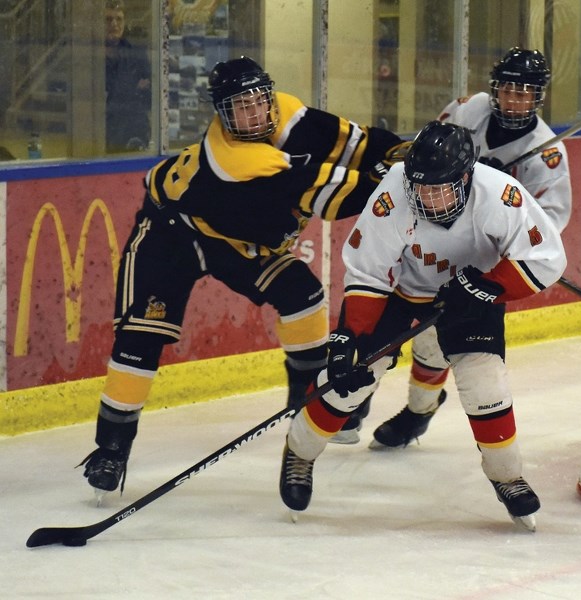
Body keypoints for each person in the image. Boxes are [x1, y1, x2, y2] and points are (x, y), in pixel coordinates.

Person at [78, 56, 406, 497]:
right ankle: (111, 450)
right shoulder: (236, 162)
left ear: (270, 96)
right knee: (141, 337)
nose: (254, 113)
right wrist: (400, 177)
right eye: (240, 107)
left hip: (233, 239)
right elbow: (334, 197)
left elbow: (358, 143)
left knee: (303, 296)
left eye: (258, 101)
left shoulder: (289, 112)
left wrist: (400, 151)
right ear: (221, 112)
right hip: (170, 231)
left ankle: (304, 401)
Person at [279, 120, 567, 530]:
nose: (429, 197)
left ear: (465, 177)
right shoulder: (394, 192)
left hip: (474, 291)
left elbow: (546, 259)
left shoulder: (499, 194)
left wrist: (485, 286)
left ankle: (507, 476)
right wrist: (349, 336)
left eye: (440, 187)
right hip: (400, 290)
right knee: (348, 380)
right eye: (422, 187)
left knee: (486, 384)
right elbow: (368, 272)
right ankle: (299, 452)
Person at [334, 47, 573, 447]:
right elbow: (432, 150)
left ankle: (418, 412)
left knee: (433, 341)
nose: (515, 101)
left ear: (538, 97)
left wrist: (497, 189)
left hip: (476, 258)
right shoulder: (468, 110)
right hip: (425, 234)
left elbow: (546, 226)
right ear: (494, 90)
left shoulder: (548, 154)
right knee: (381, 319)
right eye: (508, 91)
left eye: (525, 93)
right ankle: (358, 398)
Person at [104, 0, 152, 153]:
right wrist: (132, 87)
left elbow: (148, 96)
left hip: (133, 130)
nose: (114, 24)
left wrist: (121, 91)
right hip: (102, 133)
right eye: (108, 19)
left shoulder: (135, 52)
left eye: (119, 19)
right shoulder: (91, 55)